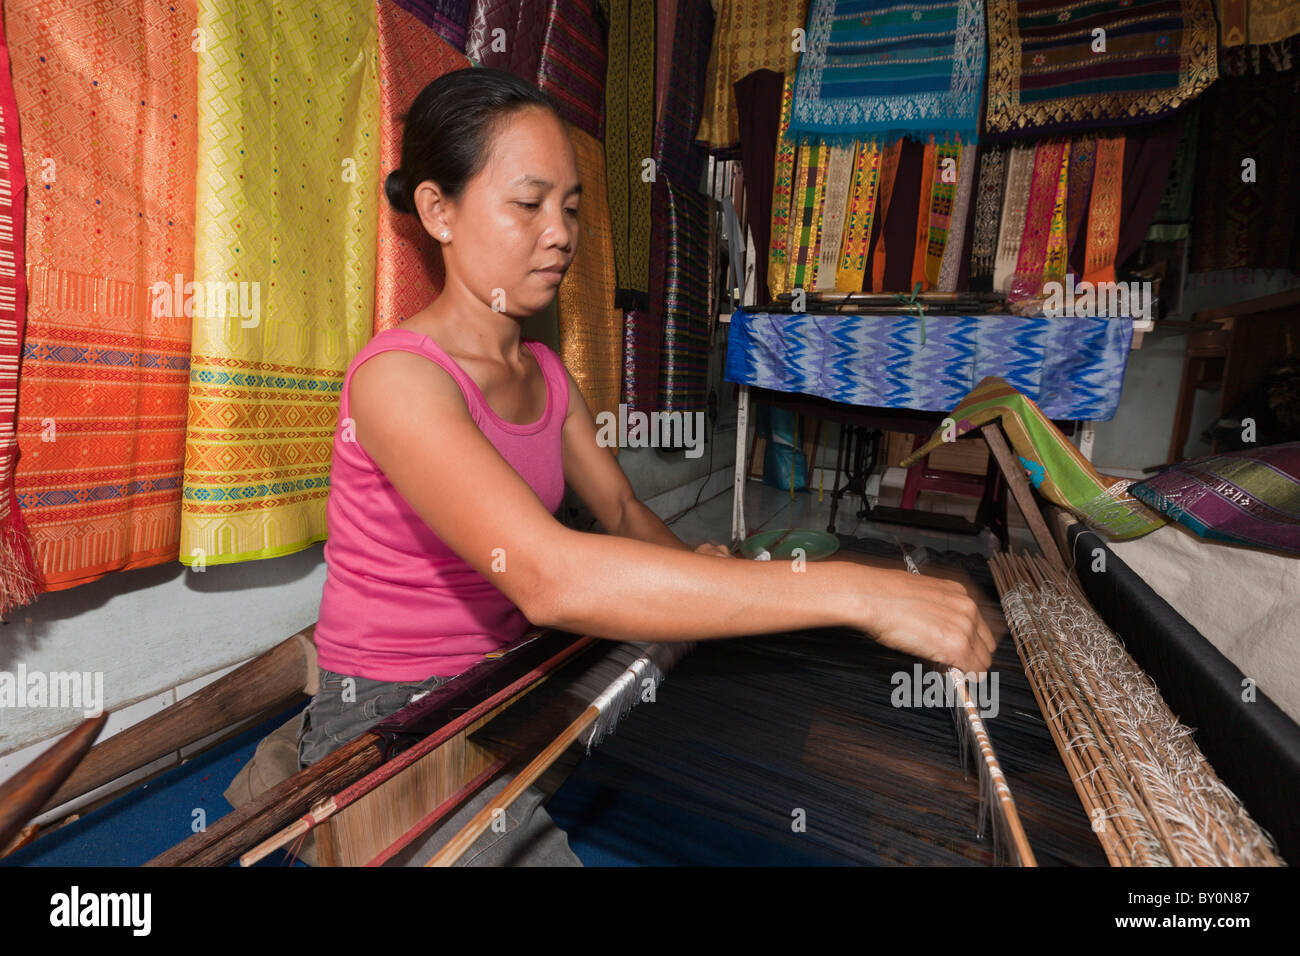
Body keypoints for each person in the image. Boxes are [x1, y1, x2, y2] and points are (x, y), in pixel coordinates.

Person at [296, 67, 996, 866]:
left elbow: (624, 514)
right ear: (437, 210)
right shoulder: (398, 380)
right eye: (528, 205)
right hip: (399, 715)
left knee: (746, 697)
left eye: (570, 207)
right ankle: (307, 776)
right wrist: (857, 591)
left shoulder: (547, 378)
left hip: (518, 672)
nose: (559, 233)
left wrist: (702, 578)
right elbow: (545, 575)